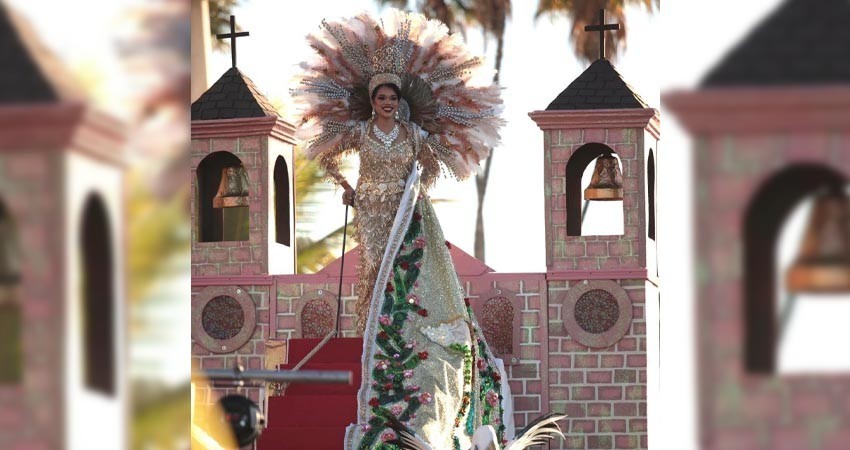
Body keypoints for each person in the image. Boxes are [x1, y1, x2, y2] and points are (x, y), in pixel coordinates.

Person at [316, 73, 513, 449]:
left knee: (401, 272)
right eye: (382, 98)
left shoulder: (413, 134)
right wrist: (348, 189)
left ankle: (397, 331)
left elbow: (434, 163)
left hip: (405, 211)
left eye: (392, 97)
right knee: (374, 272)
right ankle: (372, 338)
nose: (387, 103)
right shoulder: (360, 132)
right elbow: (326, 153)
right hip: (371, 211)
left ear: (399, 100)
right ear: (372, 101)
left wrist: (417, 186)